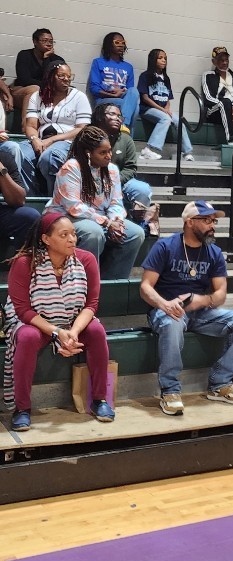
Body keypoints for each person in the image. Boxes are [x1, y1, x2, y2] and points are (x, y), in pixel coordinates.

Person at [2, 209, 115, 431]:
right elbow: (23, 310)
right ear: (46, 239)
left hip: (72, 319)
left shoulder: (87, 259)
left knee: (96, 331)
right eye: (64, 235)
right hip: (33, 320)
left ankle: (100, 400)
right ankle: (22, 408)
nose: (72, 239)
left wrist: (72, 332)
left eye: (73, 233)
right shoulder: (25, 263)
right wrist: (56, 332)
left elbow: (91, 304)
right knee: (26, 337)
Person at [140, 200, 233, 415]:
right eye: (207, 220)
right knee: (172, 323)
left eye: (214, 221)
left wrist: (203, 301)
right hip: (167, 311)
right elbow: (145, 286)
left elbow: (220, 294)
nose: (213, 225)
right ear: (190, 222)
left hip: (201, 313)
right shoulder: (165, 246)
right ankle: (170, 390)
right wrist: (165, 304)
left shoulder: (214, 252)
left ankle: (220, 383)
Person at [50, 126, 145, 279]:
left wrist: (117, 220)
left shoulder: (112, 169)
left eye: (110, 151)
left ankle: (112, 282)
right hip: (67, 218)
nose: (109, 156)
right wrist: (107, 223)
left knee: (135, 233)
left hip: (101, 219)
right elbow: (74, 207)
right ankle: (85, 283)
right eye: (103, 153)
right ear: (88, 153)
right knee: (93, 233)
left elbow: (116, 202)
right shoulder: (71, 168)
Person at [0, 61, 91, 194]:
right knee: (20, 153)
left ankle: (53, 199)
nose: (66, 79)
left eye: (69, 76)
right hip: (41, 138)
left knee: (49, 157)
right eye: (61, 76)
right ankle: (31, 198)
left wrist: (52, 140)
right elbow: (30, 125)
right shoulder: (37, 97)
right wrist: (34, 139)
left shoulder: (79, 97)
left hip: (67, 141)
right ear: (50, 76)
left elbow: (82, 129)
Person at [91, 104, 159, 236]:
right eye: (112, 114)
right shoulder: (88, 137)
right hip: (92, 180)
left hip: (119, 181)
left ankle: (140, 225)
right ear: (100, 117)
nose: (117, 118)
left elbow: (130, 168)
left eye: (119, 116)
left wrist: (114, 181)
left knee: (142, 188)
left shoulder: (126, 139)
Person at [137, 48, 194, 161]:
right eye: (160, 58)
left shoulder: (166, 78)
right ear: (153, 60)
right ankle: (149, 150)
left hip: (163, 110)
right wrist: (162, 110)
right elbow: (145, 97)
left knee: (179, 120)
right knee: (165, 119)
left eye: (165, 58)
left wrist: (167, 109)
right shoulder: (145, 76)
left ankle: (187, 152)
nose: (164, 60)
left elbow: (168, 98)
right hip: (148, 109)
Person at [9, 28, 63, 128]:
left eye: (51, 41)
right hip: (22, 90)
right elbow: (24, 80)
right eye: (44, 40)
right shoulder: (24, 55)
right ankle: (27, 129)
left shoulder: (57, 59)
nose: (49, 44)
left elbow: (57, 81)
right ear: (35, 41)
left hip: (47, 93)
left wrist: (46, 59)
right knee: (34, 89)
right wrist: (45, 86)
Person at [88, 31, 139, 129]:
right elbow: (94, 88)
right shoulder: (98, 62)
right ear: (109, 45)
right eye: (117, 42)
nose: (121, 46)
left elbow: (131, 91)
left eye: (123, 43)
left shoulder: (128, 67)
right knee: (135, 108)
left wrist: (121, 92)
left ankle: (123, 126)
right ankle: (125, 129)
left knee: (134, 92)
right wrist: (113, 95)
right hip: (103, 100)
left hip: (123, 98)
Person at [0, 147, 40, 259]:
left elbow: (18, 200)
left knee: (29, 216)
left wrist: (2, 171)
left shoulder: (4, 157)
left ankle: (22, 267)